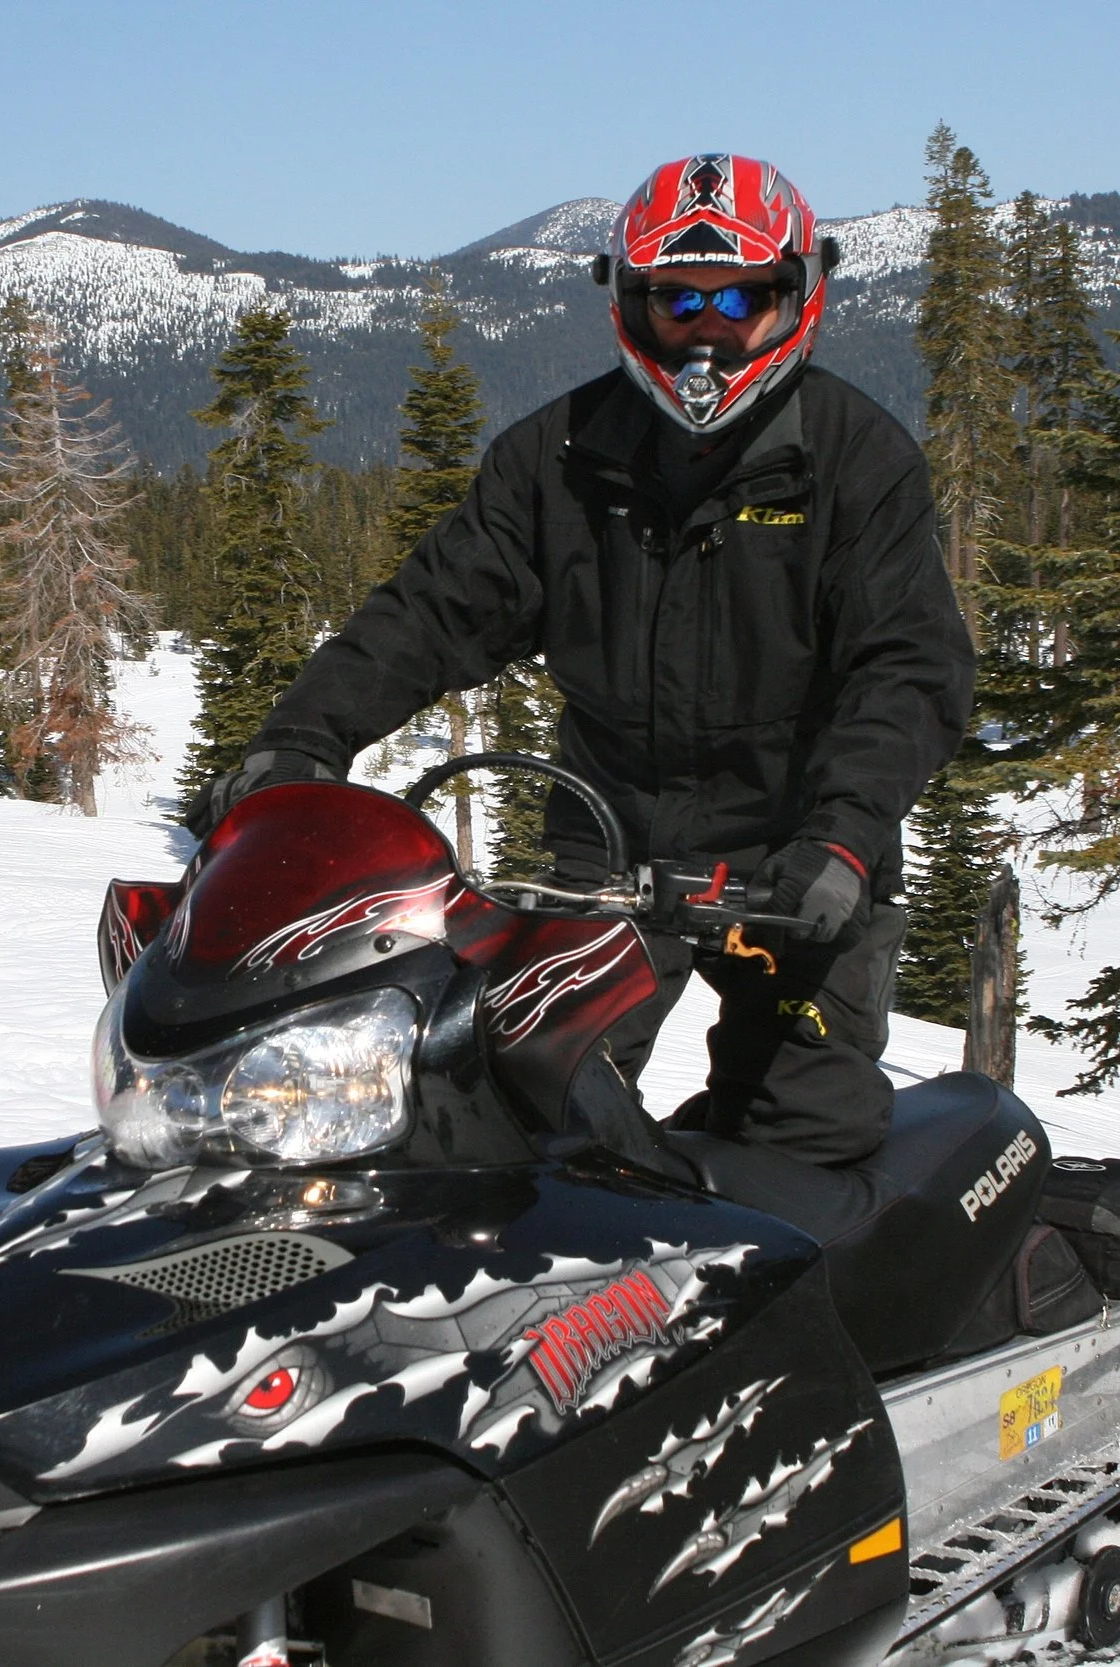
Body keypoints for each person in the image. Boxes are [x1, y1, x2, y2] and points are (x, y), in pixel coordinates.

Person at [188, 153, 973, 1168]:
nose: (706, 328)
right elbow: (430, 612)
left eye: (740, 298)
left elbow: (907, 667)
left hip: (793, 860)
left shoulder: (854, 459)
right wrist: (300, 740)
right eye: (675, 301)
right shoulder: (561, 457)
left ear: (795, 296)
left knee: (805, 1135)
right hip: (608, 856)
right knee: (516, 1110)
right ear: (630, 303)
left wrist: (845, 838)